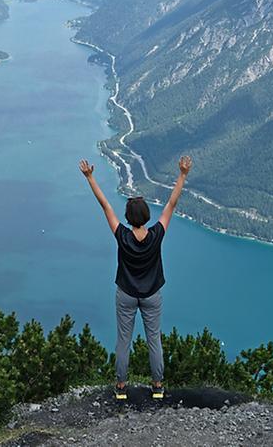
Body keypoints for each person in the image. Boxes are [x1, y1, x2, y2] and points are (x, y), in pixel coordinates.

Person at [79, 155, 193, 400]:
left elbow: (105, 206)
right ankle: (158, 386)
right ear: (146, 217)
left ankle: (121, 387)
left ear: (129, 218)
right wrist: (182, 174)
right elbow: (171, 205)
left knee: (123, 340)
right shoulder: (156, 234)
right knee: (154, 339)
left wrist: (90, 178)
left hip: (126, 294)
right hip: (152, 294)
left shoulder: (122, 235)